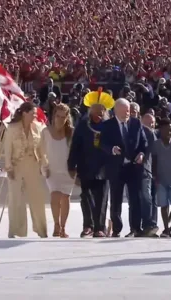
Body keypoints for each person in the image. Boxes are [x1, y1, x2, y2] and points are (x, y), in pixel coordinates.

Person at [68, 89, 114, 238]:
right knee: (86, 197)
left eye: (102, 109)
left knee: (102, 199)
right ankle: (88, 225)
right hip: (85, 167)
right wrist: (71, 165)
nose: (99, 112)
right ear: (90, 109)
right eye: (96, 109)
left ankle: (99, 228)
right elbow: (75, 146)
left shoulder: (110, 125)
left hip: (104, 168)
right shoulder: (83, 125)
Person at [100, 98, 147, 237]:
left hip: (133, 167)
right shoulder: (108, 125)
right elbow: (102, 143)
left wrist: (142, 154)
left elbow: (144, 142)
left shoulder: (136, 123)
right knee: (116, 199)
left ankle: (135, 228)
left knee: (135, 199)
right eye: (124, 111)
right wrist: (111, 149)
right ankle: (117, 229)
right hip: (116, 168)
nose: (127, 113)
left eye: (128, 110)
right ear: (116, 112)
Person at [4, 101, 48, 238]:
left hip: (33, 165)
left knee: (37, 199)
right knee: (16, 199)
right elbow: (7, 149)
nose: (35, 115)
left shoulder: (39, 127)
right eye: (32, 113)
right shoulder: (12, 128)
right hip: (17, 166)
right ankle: (16, 231)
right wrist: (8, 167)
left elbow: (42, 149)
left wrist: (44, 165)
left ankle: (42, 230)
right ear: (24, 113)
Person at [40, 103, 74, 238]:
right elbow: (41, 152)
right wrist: (44, 168)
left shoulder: (71, 132)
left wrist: (75, 169)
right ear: (53, 116)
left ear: (67, 118)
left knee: (65, 198)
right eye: (57, 116)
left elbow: (75, 152)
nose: (60, 119)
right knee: (55, 197)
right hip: (52, 170)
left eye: (63, 117)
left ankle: (63, 227)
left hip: (67, 171)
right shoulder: (45, 132)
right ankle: (56, 225)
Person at [139, 113, 158, 237]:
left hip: (152, 171)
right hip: (142, 171)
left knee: (151, 198)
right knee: (145, 198)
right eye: (147, 122)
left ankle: (151, 224)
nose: (150, 125)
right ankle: (146, 225)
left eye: (152, 123)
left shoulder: (155, 135)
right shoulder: (141, 133)